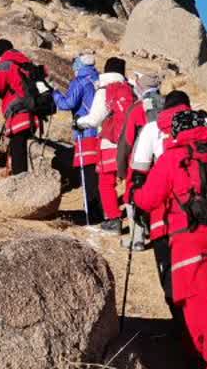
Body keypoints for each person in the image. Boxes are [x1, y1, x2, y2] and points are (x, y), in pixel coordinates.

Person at [133, 104, 207, 369]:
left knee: (202, 302)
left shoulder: (174, 157)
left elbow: (149, 198)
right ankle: (199, 358)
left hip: (189, 234)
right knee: (193, 299)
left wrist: (136, 194)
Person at [131, 89, 192, 307]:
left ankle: (179, 313)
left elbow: (139, 169)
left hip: (166, 208)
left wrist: (138, 204)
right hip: (204, 207)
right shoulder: (204, 124)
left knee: (169, 266)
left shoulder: (154, 127)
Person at [0, 39, 47, 175]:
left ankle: (20, 180)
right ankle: (23, 177)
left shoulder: (6, 64)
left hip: (18, 113)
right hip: (33, 113)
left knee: (18, 149)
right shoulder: (25, 63)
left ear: (0, 53)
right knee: (19, 147)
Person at [78, 57, 136, 232]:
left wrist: (79, 122)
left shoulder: (104, 90)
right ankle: (138, 220)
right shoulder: (131, 90)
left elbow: (94, 119)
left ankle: (113, 219)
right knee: (132, 181)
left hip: (110, 143)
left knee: (106, 183)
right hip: (131, 142)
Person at [117, 73, 164, 248]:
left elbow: (127, 141)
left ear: (141, 87)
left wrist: (121, 168)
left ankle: (137, 238)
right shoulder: (167, 104)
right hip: (163, 160)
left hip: (139, 162)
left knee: (133, 195)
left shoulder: (137, 108)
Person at [54, 52, 102, 218]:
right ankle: (101, 207)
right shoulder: (99, 79)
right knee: (98, 172)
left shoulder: (80, 81)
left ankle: (92, 211)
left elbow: (67, 104)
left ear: (79, 66)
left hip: (85, 131)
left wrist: (55, 94)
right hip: (102, 131)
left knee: (87, 172)